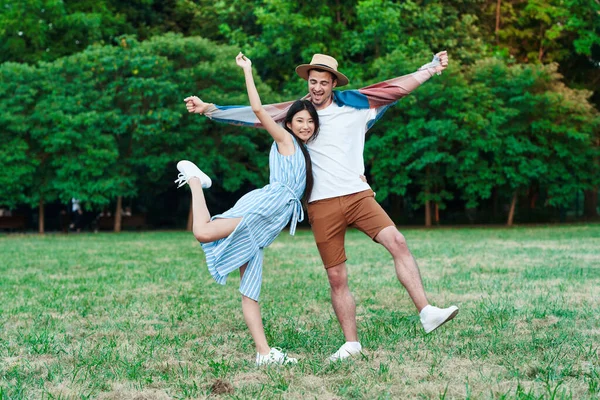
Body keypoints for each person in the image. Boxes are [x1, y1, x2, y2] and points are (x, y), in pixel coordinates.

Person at [184, 51, 459, 362]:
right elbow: (257, 114)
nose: (316, 88)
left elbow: (396, 88)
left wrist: (430, 68)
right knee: (337, 277)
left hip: (358, 195)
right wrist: (210, 109)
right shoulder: (297, 114)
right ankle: (351, 344)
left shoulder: (357, 106)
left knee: (396, 241)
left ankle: (426, 311)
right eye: (312, 82)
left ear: (333, 84)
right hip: (320, 205)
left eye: (322, 83)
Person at [176, 52, 319, 366]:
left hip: (270, 222)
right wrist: (248, 70)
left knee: (250, 286)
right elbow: (257, 109)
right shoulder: (285, 139)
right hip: (263, 208)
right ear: (289, 123)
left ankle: (264, 354)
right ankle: (195, 181)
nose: (306, 125)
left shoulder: (306, 152)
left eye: (310, 121)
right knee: (202, 232)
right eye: (300, 120)